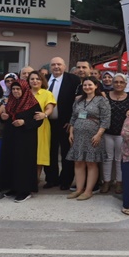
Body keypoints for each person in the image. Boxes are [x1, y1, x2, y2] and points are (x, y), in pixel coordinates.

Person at [66, 77, 110, 200]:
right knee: (78, 161)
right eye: (85, 85)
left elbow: (106, 119)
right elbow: (73, 117)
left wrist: (99, 134)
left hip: (93, 135)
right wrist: (71, 132)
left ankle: (88, 190)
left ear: (96, 86)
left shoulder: (101, 100)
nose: (87, 87)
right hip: (78, 135)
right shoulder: (79, 100)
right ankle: (79, 189)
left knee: (91, 162)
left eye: (90, 85)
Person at [0, 79, 43, 202]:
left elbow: (38, 120)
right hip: (11, 137)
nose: (16, 91)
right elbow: (6, 118)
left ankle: (25, 190)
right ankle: (13, 187)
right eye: (13, 89)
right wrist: (4, 117)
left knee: (23, 163)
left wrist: (24, 122)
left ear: (24, 89)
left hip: (26, 139)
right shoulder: (11, 102)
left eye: (18, 89)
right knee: (11, 161)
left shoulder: (33, 103)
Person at [44, 57, 81, 190]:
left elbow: (78, 104)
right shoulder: (44, 79)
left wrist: (71, 121)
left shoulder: (73, 80)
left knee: (66, 152)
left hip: (66, 123)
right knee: (50, 151)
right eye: (53, 64)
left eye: (59, 64)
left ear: (64, 66)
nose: (56, 67)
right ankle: (51, 179)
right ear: (50, 67)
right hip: (47, 123)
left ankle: (65, 180)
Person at [102, 73, 129, 194]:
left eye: (121, 82)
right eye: (116, 82)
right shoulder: (106, 96)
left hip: (122, 133)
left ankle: (119, 183)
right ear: (112, 83)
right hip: (107, 132)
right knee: (107, 158)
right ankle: (106, 182)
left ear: (125, 84)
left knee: (119, 158)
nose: (118, 84)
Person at [27, 71, 56, 185]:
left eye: (38, 79)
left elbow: (50, 107)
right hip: (26, 126)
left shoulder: (47, 93)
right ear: (28, 81)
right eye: (32, 79)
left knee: (39, 154)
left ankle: (35, 180)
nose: (35, 81)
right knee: (27, 153)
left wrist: (45, 114)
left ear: (42, 81)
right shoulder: (24, 93)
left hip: (41, 126)